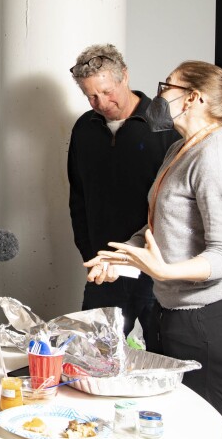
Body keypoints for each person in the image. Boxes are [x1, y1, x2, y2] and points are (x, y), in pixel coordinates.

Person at [84, 61, 222, 415]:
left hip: (213, 313)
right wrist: (120, 256)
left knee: (198, 421)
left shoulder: (216, 156)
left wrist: (164, 271)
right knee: (168, 418)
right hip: (175, 308)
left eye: (166, 86)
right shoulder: (180, 149)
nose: (158, 95)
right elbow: (156, 228)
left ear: (193, 98)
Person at [67, 44, 180, 339]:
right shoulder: (84, 128)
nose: (101, 102)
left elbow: (179, 204)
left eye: (107, 91)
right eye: (91, 95)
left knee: (166, 356)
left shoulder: (166, 124)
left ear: (125, 76)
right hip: (106, 268)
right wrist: (90, 252)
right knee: (92, 357)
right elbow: (78, 197)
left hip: (158, 267)